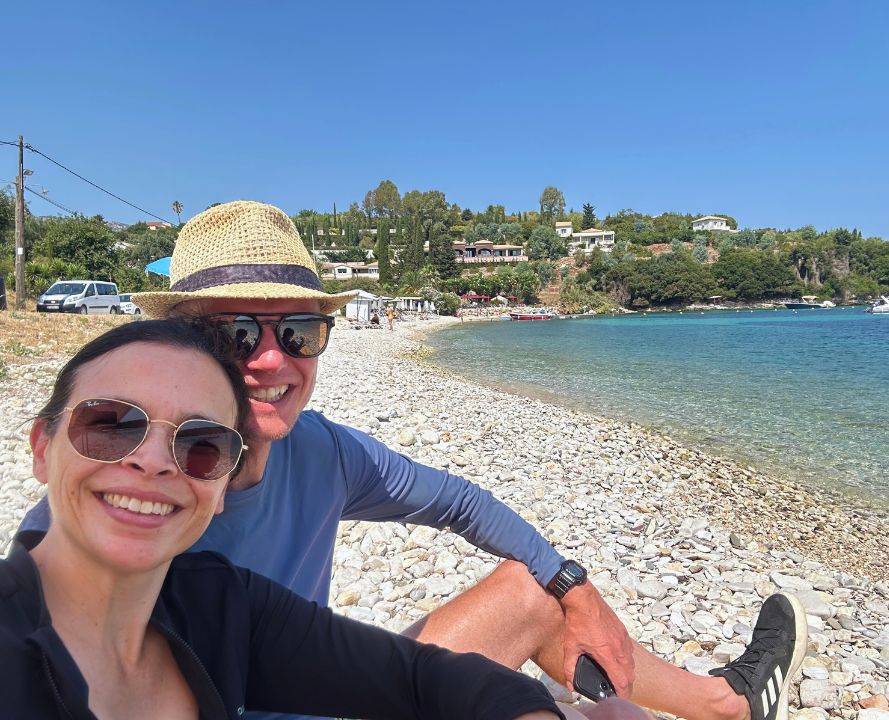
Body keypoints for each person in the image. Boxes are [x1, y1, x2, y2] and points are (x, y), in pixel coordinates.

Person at [21, 201, 807, 720]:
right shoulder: (115, 517)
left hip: (324, 692)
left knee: (526, 592)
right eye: (236, 333)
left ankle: (723, 705)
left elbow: (456, 502)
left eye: (296, 331)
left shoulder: (319, 453)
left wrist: (574, 583)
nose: (270, 360)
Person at [3, 319, 582, 719]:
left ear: (224, 476)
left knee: (534, 602)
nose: (153, 461)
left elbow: (418, 675)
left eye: (201, 442)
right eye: (111, 423)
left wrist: (571, 585)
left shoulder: (222, 606)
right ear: (41, 448)